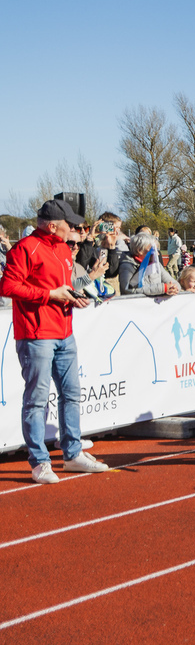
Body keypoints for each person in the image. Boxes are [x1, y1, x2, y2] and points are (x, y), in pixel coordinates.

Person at [1, 200, 109, 483]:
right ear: (52, 226)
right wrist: (50, 295)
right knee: (36, 400)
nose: (73, 228)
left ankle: (72, 454)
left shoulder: (62, 248)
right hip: (36, 335)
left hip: (64, 332)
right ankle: (40, 462)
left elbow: (63, 287)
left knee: (71, 394)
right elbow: (8, 286)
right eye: (68, 224)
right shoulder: (25, 249)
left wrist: (74, 297)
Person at [117, 231, 179, 296]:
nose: (157, 254)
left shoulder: (156, 264)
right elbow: (128, 290)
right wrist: (163, 288)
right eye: (153, 249)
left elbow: (175, 284)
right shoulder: (127, 266)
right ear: (140, 250)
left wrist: (174, 288)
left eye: (157, 250)